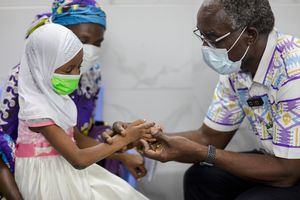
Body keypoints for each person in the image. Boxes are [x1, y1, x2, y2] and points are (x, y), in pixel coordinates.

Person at [113, 0, 300, 199]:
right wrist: (143, 137)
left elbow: (287, 172)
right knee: (200, 177)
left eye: (213, 38)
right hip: (278, 159)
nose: (205, 47)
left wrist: (203, 153)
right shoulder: (237, 68)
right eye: (202, 36)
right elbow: (210, 138)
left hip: (290, 167)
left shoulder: (292, 72)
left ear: (250, 35)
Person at [0, 0, 145, 198]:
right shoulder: (35, 98)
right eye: (83, 40)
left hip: (67, 162)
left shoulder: (69, 86)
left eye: (97, 43)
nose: (77, 74)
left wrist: (124, 143)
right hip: (49, 173)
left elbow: (76, 137)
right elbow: (77, 157)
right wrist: (124, 141)